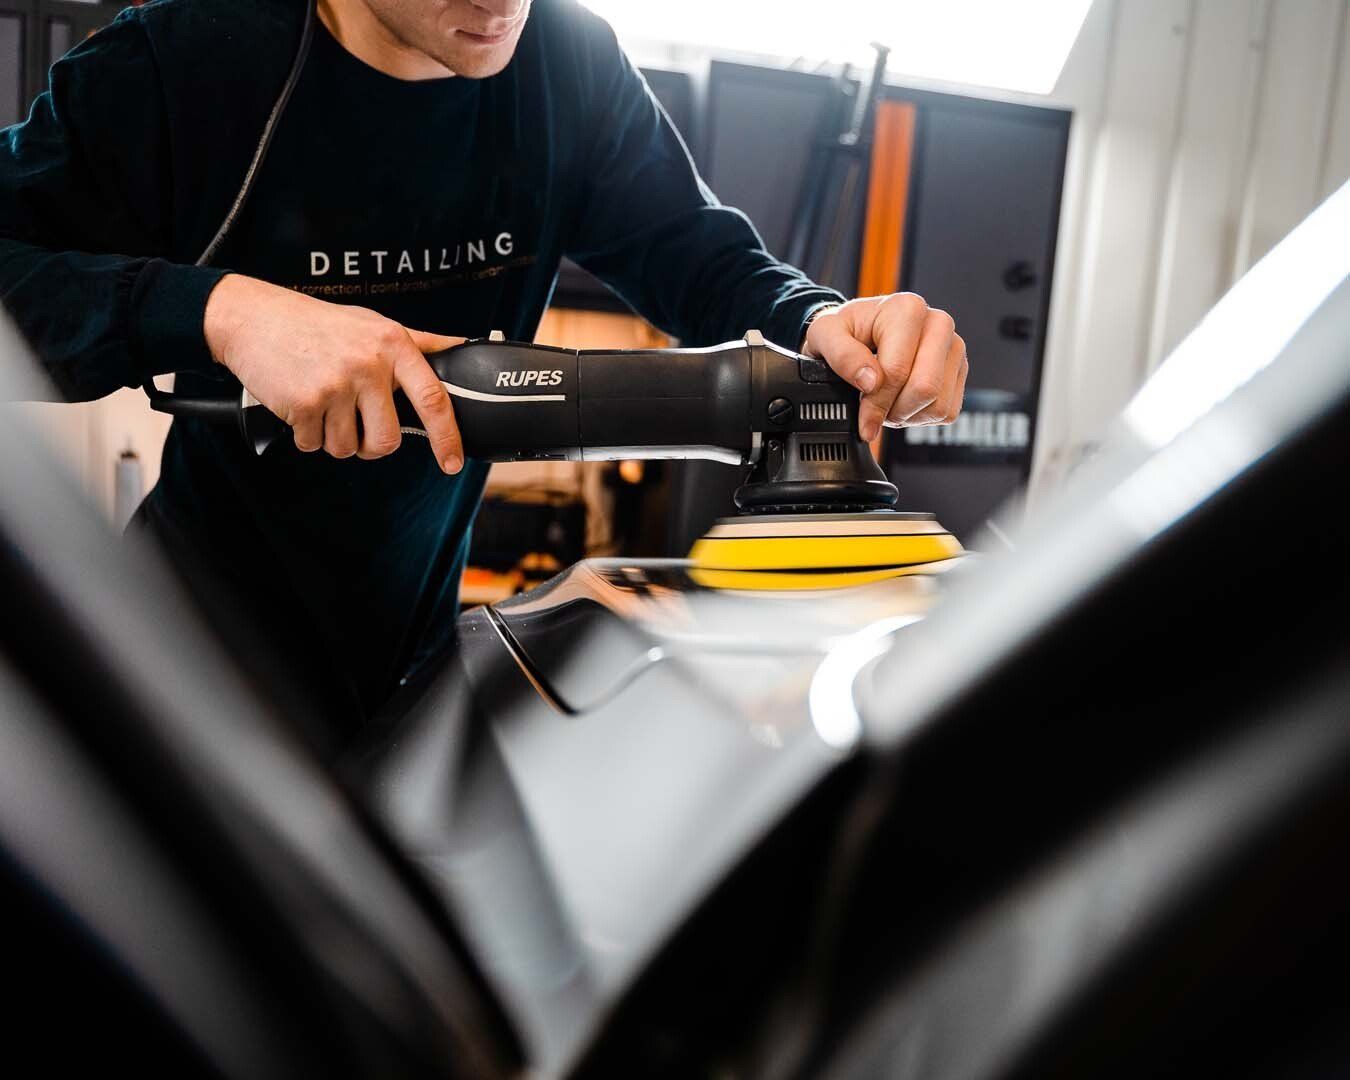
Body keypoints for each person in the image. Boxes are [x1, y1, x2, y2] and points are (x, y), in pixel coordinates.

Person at [0, 0, 967, 744]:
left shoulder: (565, 61)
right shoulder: (182, 64)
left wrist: (825, 322)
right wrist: (222, 311)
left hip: (413, 660)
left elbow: (702, 259)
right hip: (182, 666)